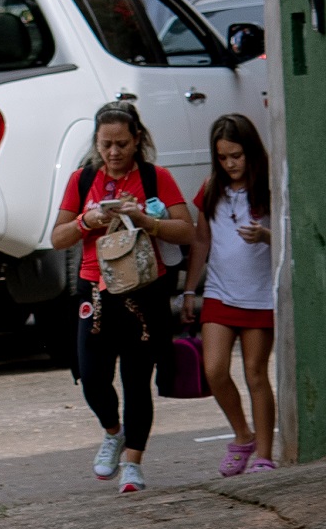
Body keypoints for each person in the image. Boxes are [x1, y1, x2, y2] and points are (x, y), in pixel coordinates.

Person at [48, 100, 195, 493]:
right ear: (97, 143)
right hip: (94, 290)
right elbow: (57, 237)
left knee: (136, 379)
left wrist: (149, 221)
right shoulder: (81, 180)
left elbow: (187, 231)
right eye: (106, 144)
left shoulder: (154, 177)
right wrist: (87, 220)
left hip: (144, 290)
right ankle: (113, 432)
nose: (113, 153)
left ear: (137, 141)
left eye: (122, 144)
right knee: (92, 376)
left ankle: (133, 463)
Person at [184, 113, 277, 475]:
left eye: (236, 155)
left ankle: (265, 454)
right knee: (215, 370)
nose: (231, 164)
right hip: (220, 293)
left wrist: (266, 236)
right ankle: (242, 436)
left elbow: (290, 232)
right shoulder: (211, 189)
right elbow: (202, 241)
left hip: (260, 296)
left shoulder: (269, 187)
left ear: (251, 152)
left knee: (256, 373)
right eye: (223, 157)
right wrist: (190, 290)